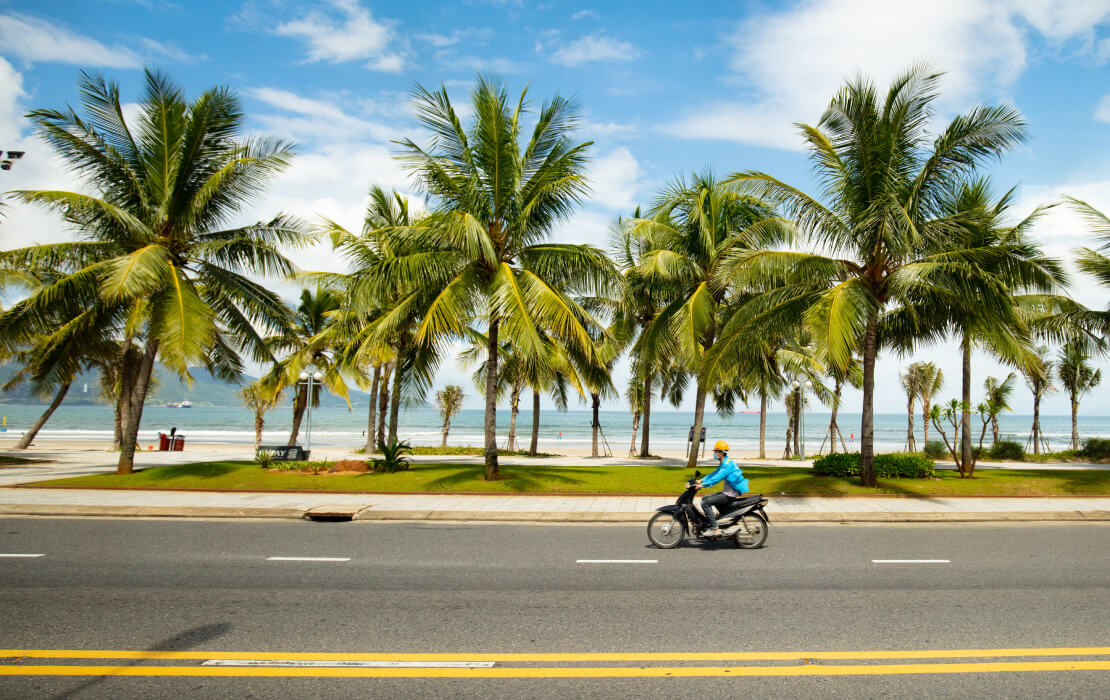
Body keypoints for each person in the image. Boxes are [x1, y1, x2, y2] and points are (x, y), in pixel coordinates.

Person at [696, 440, 749, 537]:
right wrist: (701, 480)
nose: (715, 454)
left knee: (705, 503)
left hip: (730, 495)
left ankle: (715, 528)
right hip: (727, 493)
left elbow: (717, 478)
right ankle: (715, 522)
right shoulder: (724, 462)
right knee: (705, 498)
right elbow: (714, 473)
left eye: (716, 451)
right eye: (715, 452)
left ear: (721, 453)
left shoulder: (728, 465)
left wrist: (703, 485)